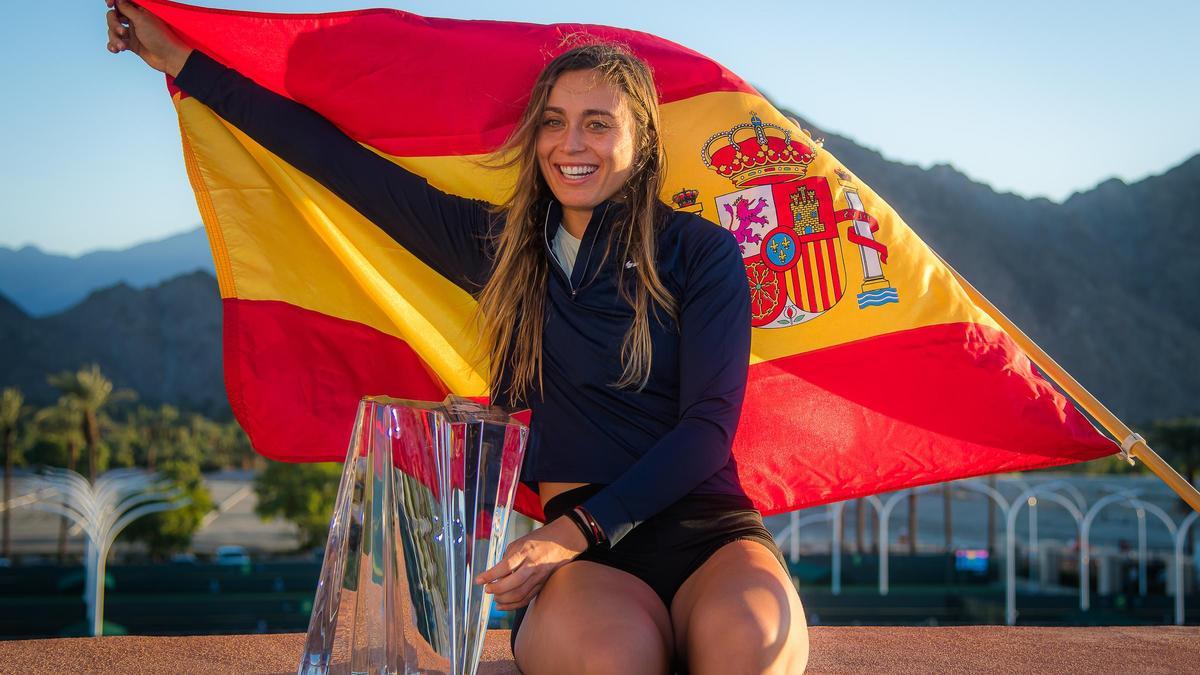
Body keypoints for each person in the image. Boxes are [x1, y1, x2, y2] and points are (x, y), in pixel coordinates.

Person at [105, 1, 809, 672]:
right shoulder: (496, 247)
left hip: (706, 533)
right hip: (587, 569)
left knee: (751, 647)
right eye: (555, 122)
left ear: (642, 140)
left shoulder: (699, 252)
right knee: (616, 659)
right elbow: (335, 162)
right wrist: (183, 62)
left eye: (598, 124)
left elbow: (708, 429)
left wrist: (570, 533)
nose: (572, 144)